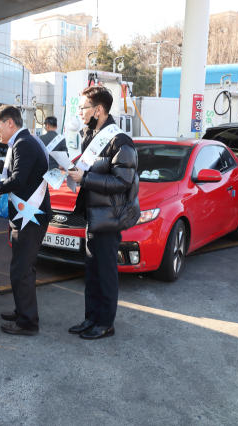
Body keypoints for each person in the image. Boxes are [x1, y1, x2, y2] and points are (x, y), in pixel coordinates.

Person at [66, 86, 140, 340]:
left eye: (83, 107)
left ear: (98, 110)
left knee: (106, 273)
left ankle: (106, 323)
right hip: (93, 215)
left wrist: (85, 177)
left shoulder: (120, 141)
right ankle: (91, 318)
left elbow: (122, 182)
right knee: (92, 271)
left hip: (109, 218)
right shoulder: (90, 134)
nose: (80, 112)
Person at [0, 105, 51, 336]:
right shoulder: (23, 141)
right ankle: (22, 311)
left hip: (30, 215)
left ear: (10, 123)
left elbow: (16, 179)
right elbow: (10, 168)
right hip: (27, 214)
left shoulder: (23, 143)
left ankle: (27, 322)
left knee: (22, 269)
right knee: (21, 266)